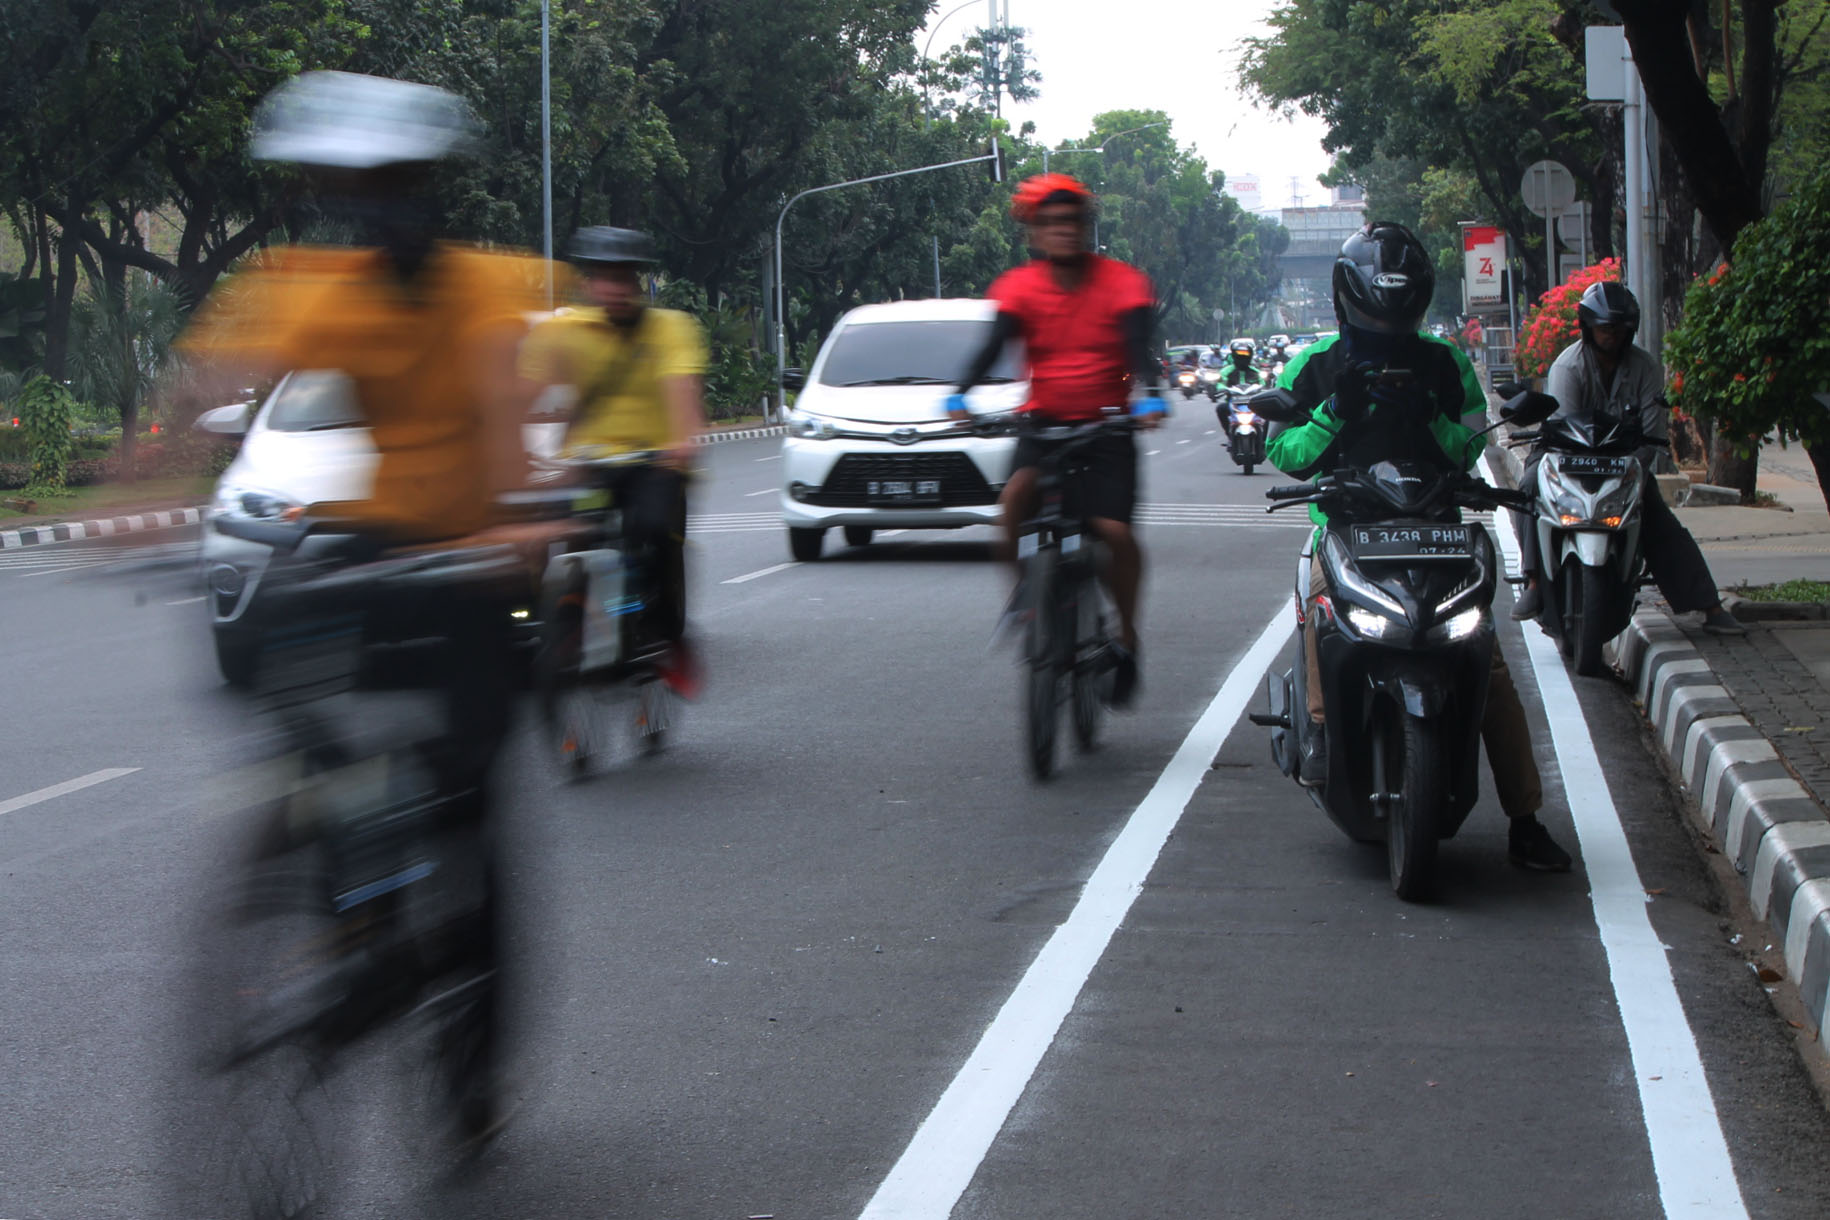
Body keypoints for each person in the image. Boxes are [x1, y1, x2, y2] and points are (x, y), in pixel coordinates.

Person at [176, 70, 556, 1145]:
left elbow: (504, 423)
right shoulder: (318, 281)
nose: (371, 208)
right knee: (296, 696)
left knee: (465, 804)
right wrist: (139, 502)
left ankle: (473, 1056)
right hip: (374, 537)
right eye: (350, 188)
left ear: (426, 191)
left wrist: (518, 530)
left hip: (479, 558)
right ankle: (346, 901)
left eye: (391, 186)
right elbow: (203, 379)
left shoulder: (490, 292)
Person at [1267, 221, 1571, 872]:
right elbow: (1283, 451)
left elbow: (1471, 445)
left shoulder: (1444, 362)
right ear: (1351, 298)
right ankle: (1319, 740)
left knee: (1485, 664)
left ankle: (1526, 818)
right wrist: (1336, 411)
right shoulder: (1316, 363)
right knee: (1326, 626)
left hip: (1437, 531)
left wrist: (1426, 413)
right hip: (1346, 533)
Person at [946, 172, 1168, 707]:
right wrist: (960, 394)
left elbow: (1140, 348)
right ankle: (1024, 599)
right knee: (1013, 501)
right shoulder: (1017, 288)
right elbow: (992, 345)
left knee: (1113, 531)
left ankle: (1127, 636)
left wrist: (1151, 395)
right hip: (1043, 426)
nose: (1064, 231)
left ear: (1087, 228)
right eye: (1051, 224)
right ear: (1035, 234)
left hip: (1107, 428)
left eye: (1073, 222)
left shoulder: (1123, 282)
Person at [519, 226, 710, 693]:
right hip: (589, 461)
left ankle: (668, 636)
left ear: (639, 281)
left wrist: (682, 443)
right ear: (589, 282)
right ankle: (558, 621)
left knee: (652, 534)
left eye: (625, 277)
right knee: (548, 527)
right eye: (605, 277)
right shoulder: (562, 333)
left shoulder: (670, 328)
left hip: (655, 461)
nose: (615, 288)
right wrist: (515, 458)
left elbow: (681, 395)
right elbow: (516, 398)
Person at [1510, 282, 1744, 635]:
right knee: (1528, 489)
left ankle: (1710, 607)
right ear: (1589, 327)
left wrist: (1632, 473)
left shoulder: (1646, 368)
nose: (1612, 336)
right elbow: (1559, 430)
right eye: (1605, 328)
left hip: (1624, 463)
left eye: (1619, 329)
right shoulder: (1567, 367)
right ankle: (1533, 584)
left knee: (1659, 519)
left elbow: (1652, 433)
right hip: (1564, 457)